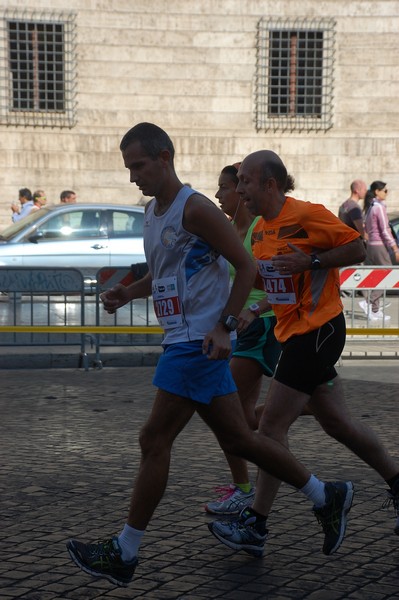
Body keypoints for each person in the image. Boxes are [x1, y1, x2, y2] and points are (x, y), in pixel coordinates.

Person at [66, 123, 355, 587]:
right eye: (128, 168)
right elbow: (165, 275)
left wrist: (225, 326)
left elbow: (244, 266)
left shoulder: (195, 208)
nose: (133, 175)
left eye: (138, 165)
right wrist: (127, 292)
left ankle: (125, 550)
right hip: (187, 339)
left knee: (153, 440)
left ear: (165, 157)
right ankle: (326, 494)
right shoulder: (152, 213)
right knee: (240, 439)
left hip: (197, 342)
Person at [208, 150, 399, 559]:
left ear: (270, 184)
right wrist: (253, 310)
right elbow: (273, 281)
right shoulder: (259, 229)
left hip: (319, 331)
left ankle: (257, 525)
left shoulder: (308, 215)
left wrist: (311, 259)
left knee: (269, 429)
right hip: (289, 332)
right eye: (237, 183)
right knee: (339, 424)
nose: (239, 190)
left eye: (245, 182)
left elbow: (357, 250)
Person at [205, 163, 282, 516]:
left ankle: (243, 489)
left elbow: (271, 283)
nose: (219, 195)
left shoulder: (256, 229)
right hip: (239, 327)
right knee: (244, 418)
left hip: (260, 325)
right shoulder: (229, 231)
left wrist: (247, 287)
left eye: (225, 187)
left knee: (225, 412)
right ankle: (301, 404)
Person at [359, 181, 399, 319]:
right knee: (388, 274)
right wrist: (395, 247)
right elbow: (385, 230)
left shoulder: (371, 206)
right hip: (379, 245)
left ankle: (375, 310)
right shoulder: (378, 207)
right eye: (385, 190)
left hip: (372, 245)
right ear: (377, 191)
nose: (386, 193)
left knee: (377, 275)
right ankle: (369, 302)